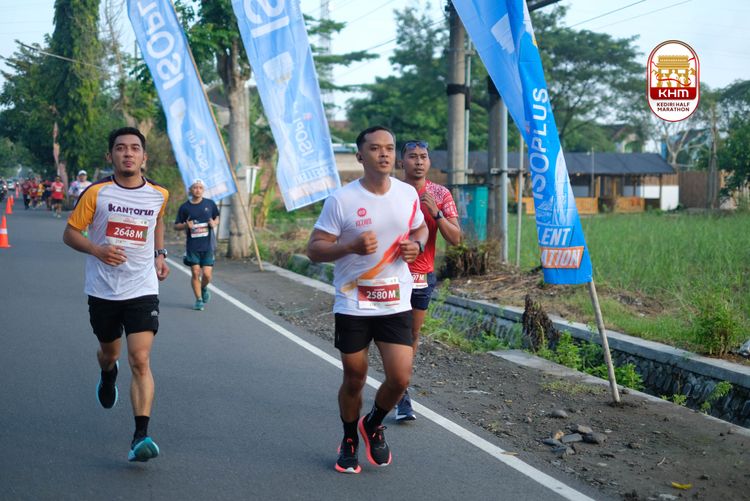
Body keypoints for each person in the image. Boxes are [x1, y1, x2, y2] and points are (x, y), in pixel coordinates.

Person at [307, 125, 428, 474]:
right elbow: (314, 249)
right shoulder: (342, 200)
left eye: (389, 147)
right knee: (355, 377)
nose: (384, 153)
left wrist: (417, 244)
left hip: (395, 301)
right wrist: (349, 246)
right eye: (375, 148)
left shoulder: (407, 194)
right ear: (361, 156)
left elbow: (420, 227)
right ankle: (349, 438)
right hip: (353, 302)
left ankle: (372, 423)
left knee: (400, 378)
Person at [62, 127, 170, 463]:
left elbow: (158, 221)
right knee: (110, 353)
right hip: (103, 290)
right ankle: (108, 373)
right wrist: (97, 250)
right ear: (110, 156)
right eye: (121, 148)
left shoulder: (159, 194)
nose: (128, 153)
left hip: (142, 288)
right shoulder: (97, 193)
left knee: (141, 359)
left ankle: (141, 435)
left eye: (135, 148)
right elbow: (70, 234)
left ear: (144, 157)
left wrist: (159, 254)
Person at [395, 140, 461, 421]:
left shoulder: (440, 194)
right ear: (402, 162)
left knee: (411, 335)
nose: (419, 161)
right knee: (393, 334)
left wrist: (437, 213)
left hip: (422, 275)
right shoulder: (391, 190)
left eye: (423, 156)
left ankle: (400, 388)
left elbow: (456, 238)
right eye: (412, 156)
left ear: (429, 162)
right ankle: (400, 393)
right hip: (391, 274)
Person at [173, 179, 220, 311]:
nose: (198, 190)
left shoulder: (210, 204)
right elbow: (176, 226)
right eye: (195, 187)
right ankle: (199, 300)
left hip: (208, 245)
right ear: (190, 190)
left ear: (203, 189)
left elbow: (217, 217)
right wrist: (185, 225)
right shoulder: (185, 207)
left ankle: (203, 287)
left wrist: (214, 223)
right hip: (192, 246)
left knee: (207, 275)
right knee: (195, 272)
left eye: (200, 188)